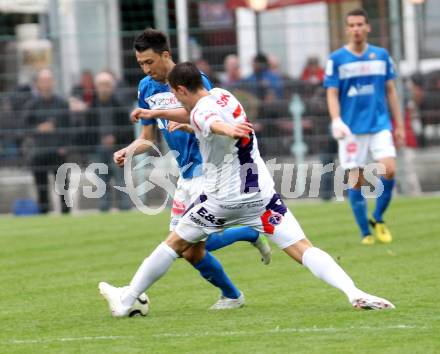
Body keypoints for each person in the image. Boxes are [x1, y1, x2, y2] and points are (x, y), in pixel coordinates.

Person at [99, 61, 395, 317]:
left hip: (222, 201)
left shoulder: (202, 113)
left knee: (174, 244)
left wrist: (223, 129)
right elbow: (203, 120)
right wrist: (159, 117)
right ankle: (353, 291)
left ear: (179, 90)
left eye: (176, 97)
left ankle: (126, 300)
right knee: (304, 248)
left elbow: (211, 122)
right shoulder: (224, 96)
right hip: (262, 198)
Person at [105, 28, 271, 311]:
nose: (146, 69)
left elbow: (202, 116)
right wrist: (128, 151)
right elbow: (149, 139)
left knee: (183, 244)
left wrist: (159, 113)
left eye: (149, 62)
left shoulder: (192, 81)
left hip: (208, 172)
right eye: (141, 64)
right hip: (185, 175)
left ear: (165, 55)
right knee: (191, 250)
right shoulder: (146, 88)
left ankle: (129, 297)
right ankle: (237, 277)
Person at [324, 8, 405, 245]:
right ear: (347, 29)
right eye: (352, 25)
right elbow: (331, 93)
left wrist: (398, 125)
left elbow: (391, 91)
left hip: (379, 125)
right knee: (355, 180)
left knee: (389, 169)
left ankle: (378, 218)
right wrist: (336, 120)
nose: (357, 29)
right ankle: (365, 233)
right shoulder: (336, 59)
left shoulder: (381, 56)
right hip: (351, 129)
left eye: (360, 24)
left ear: (368, 27)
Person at [22, 69, 71, 214]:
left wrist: (65, 146)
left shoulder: (62, 103)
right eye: (43, 81)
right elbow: (24, 128)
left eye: (49, 80)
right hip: (39, 151)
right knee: (41, 187)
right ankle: (43, 214)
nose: (46, 84)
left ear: (53, 82)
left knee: (63, 186)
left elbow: (69, 126)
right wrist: (38, 128)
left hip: (58, 151)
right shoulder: (31, 105)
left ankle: (66, 213)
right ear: (37, 84)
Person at [86, 71, 133, 211]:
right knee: (101, 182)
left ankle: (125, 208)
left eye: (107, 84)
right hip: (98, 150)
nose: (104, 87)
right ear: (96, 87)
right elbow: (86, 132)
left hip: (117, 149)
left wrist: (115, 138)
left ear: (112, 86)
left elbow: (128, 131)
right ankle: (104, 208)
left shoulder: (120, 107)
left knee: (120, 180)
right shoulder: (91, 109)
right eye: (101, 84)